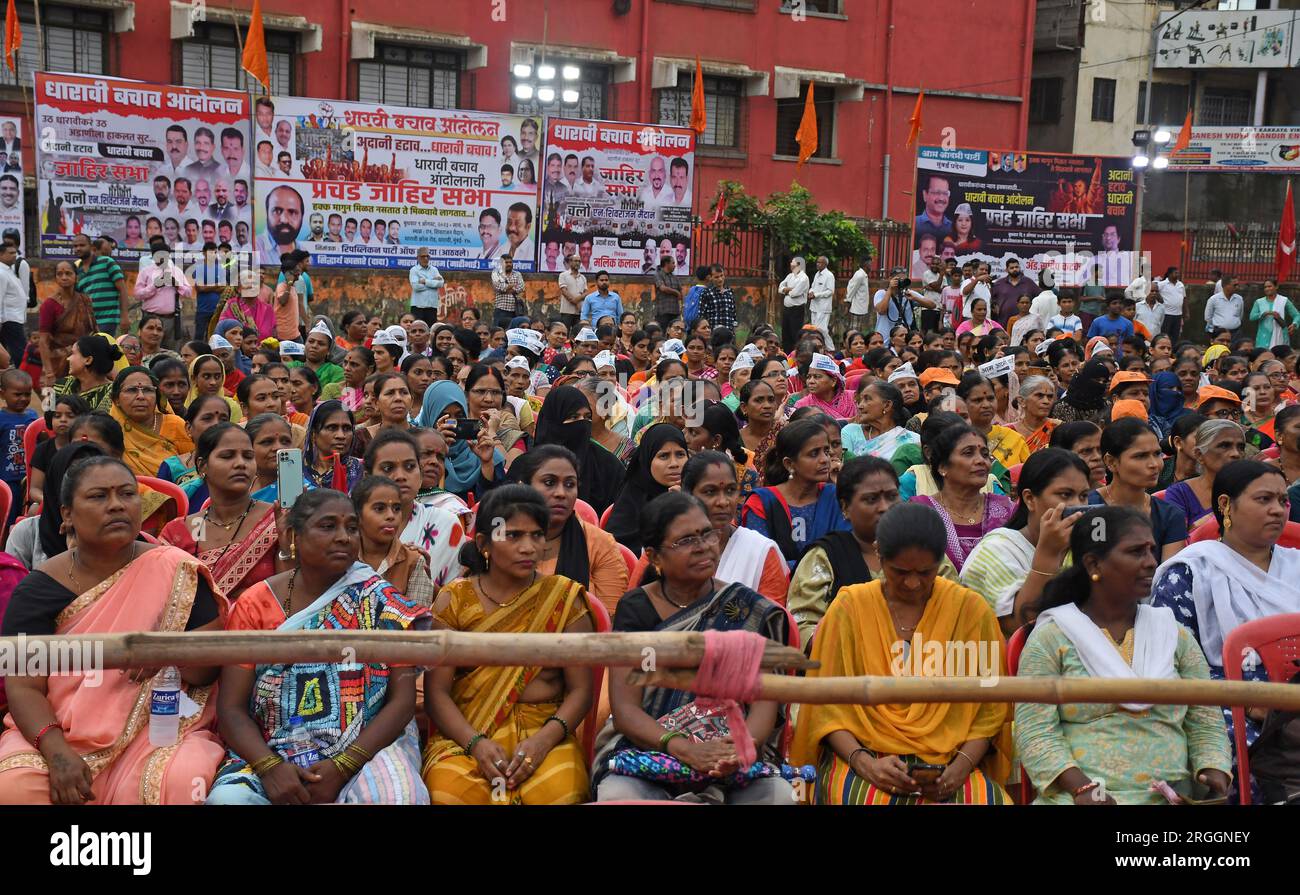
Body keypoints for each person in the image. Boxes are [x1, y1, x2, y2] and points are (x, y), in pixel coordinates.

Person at [0, 455, 228, 804]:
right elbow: (24, 685)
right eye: (98, 497)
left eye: (127, 494)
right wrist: (57, 752)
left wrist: (171, 654)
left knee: (180, 780)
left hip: (158, 726)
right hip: (56, 730)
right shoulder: (38, 590)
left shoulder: (174, 570)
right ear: (66, 515)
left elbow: (207, 671)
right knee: (15, 786)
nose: (116, 506)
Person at [207, 490, 430, 805]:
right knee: (228, 801)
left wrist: (344, 766)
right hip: (272, 749)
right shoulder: (256, 603)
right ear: (293, 534)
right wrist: (269, 766)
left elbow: (402, 701)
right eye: (327, 526)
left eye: (351, 528)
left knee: (396, 797)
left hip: (368, 748)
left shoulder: (382, 601)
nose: (343, 537)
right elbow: (231, 707)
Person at [791, 502, 1013, 805]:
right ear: (878, 554)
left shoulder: (971, 611)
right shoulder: (849, 609)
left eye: (925, 572)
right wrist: (866, 764)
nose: (912, 583)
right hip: (863, 756)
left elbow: (990, 711)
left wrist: (959, 768)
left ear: (942, 563)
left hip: (951, 759)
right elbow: (826, 708)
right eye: (899, 572)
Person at [1017, 506, 1232, 805]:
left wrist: (1213, 773)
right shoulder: (1052, 636)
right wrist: (1084, 790)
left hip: (1170, 798)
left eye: (1151, 550)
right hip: (1081, 799)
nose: (1150, 563)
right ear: (1094, 564)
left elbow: (1205, 720)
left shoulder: (1173, 634)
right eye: (1135, 552)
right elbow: (1035, 729)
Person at [592, 492, 792, 804]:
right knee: (620, 795)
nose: (703, 546)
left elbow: (765, 701)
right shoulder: (636, 609)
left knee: (777, 796)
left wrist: (738, 748)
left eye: (707, 534)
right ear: (654, 557)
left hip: (731, 759)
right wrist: (683, 748)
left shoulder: (744, 608)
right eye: (685, 540)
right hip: (650, 751)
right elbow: (626, 710)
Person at [423, 485, 594, 805]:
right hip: (467, 734)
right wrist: (476, 743)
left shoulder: (564, 598)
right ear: (484, 544)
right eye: (513, 535)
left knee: (563, 793)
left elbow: (581, 690)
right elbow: (436, 693)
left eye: (537, 536)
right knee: (448, 794)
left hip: (546, 731)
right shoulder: (454, 600)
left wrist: (544, 741)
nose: (529, 547)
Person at [789, 456, 947, 647]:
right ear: (845, 508)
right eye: (871, 499)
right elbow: (802, 626)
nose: (884, 507)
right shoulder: (825, 556)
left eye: (891, 496)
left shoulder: (924, 551)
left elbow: (952, 609)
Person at [960, 448, 1090, 635]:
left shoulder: (1080, 547)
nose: (1077, 506)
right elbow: (1019, 627)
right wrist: (1048, 555)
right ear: (1029, 499)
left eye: (1083, 496)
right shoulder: (995, 551)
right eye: (1065, 494)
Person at [159, 423, 280, 601]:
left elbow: (290, 592)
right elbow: (165, 600)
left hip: (261, 626)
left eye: (248, 456)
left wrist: (287, 542)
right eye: (227, 456)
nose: (241, 464)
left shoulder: (276, 519)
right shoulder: (180, 532)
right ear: (202, 466)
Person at [508, 446, 628, 614]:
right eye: (549, 482)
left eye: (570, 484)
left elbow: (608, 622)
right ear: (523, 488)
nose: (561, 493)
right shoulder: (499, 542)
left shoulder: (600, 544)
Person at [741, 419, 849, 568]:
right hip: (776, 587)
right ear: (789, 464)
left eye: (826, 451)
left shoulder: (836, 496)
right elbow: (760, 561)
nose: (825, 460)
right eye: (814, 454)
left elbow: (847, 551)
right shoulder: (762, 502)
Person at [909, 423, 1014, 572]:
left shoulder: (1006, 509)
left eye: (985, 454)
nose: (981, 461)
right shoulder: (919, 514)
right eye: (968, 453)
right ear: (943, 467)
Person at [1087, 416, 1187, 560]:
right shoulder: (1091, 508)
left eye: (1157, 454)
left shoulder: (1169, 515)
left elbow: (1168, 577)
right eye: (1140, 456)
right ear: (1111, 462)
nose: (1154, 464)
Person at [532, 385, 625, 516]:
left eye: (587, 417)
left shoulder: (608, 465)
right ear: (553, 421)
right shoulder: (527, 465)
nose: (582, 424)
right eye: (574, 417)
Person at [352, 475, 435, 609]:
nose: (391, 515)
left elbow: (417, 623)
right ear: (358, 515)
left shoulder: (414, 562)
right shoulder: (346, 558)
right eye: (379, 508)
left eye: (396, 508)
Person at [606, 423, 689, 556]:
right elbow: (617, 550)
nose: (674, 464)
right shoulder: (631, 499)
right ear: (647, 460)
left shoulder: (694, 495)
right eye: (664, 456)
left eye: (680, 454)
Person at [1162, 419, 1246, 532]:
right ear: (1200, 455)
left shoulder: (1253, 490)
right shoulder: (1180, 493)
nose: (1236, 454)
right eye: (1225, 446)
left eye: (1240, 447)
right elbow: (1177, 542)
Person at [111, 365, 194, 479]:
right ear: (116, 400)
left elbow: (194, 471)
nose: (141, 396)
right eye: (132, 390)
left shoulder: (176, 425)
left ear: (157, 396)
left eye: (148, 390)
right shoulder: (109, 432)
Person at [154, 393, 230, 506]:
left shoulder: (239, 464)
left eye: (223, 419)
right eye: (207, 418)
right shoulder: (172, 467)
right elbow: (163, 513)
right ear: (189, 428)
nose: (216, 424)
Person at [36, 261, 95, 386]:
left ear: (76, 277)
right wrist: (49, 372)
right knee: (57, 402)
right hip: (59, 362)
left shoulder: (85, 300)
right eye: (60, 274)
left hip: (85, 361)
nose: (64, 277)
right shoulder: (49, 305)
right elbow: (43, 340)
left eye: (68, 273)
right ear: (56, 278)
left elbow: (93, 331)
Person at [841, 379, 918, 463]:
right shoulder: (851, 432)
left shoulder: (913, 440)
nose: (860, 406)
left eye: (867, 399)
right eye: (861, 400)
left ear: (887, 405)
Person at [302, 400, 365, 493]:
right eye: (332, 428)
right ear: (313, 434)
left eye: (347, 428)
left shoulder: (361, 471)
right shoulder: (296, 472)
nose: (341, 435)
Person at [72, 233, 128, 335]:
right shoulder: (77, 270)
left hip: (108, 321)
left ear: (91, 247)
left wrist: (124, 316)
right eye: (75, 246)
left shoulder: (107, 262)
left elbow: (122, 289)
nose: (78, 248)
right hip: (89, 323)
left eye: (82, 245)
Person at [53, 334, 120, 414]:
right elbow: (48, 418)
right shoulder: (61, 385)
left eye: (73, 353)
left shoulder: (113, 393)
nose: (68, 358)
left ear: (88, 360)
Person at [1010, 375, 1059, 452]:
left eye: (1050, 396)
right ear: (1022, 401)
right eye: (1039, 395)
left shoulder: (1058, 428)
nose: (1046, 401)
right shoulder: (1008, 432)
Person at [1250, 277, 1300, 349]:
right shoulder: (1259, 302)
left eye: (1269, 286)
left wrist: (1294, 324)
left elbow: (1296, 315)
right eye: (1265, 287)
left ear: (1276, 286)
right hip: (1263, 337)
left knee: (1280, 357)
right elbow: (1252, 317)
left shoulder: (1284, 300)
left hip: (1280, 335)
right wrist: (1264, 314)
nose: (1267, 289)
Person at [408, 247, 445, 327]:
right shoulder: (414, 270)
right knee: (417, 329)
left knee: (431, 329)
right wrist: (433, 283)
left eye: (427, 256)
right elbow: (416, 287)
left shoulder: (434, 270)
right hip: (418, 307)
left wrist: (425, 281)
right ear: (417, 258)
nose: (425, 258)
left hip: (432, 306)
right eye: (423, 256)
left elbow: (441, 283)